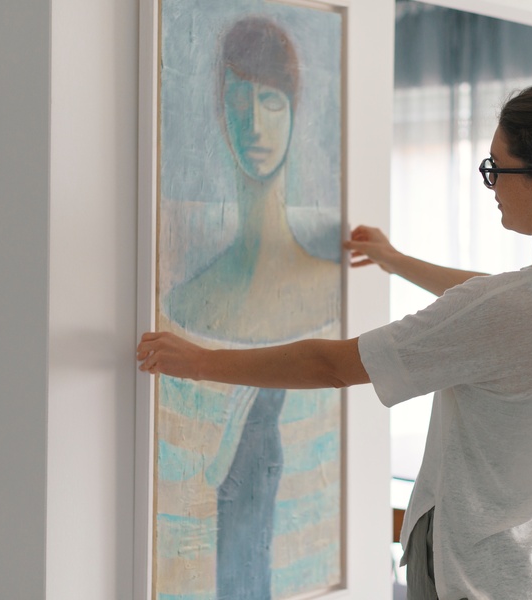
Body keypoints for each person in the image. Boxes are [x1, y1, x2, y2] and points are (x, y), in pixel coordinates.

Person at [138, 83, 532, 600]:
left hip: (474, 576)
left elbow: (332, 364)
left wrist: (201, 361)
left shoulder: (510, 311)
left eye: (495, 169)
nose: (490, 184)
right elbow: (497, 302)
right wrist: (395, 261)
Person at [158, 16, 342, 600]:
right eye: (237, 101)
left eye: (270, 100)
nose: (254, 123)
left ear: (295, 110)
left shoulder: (334, 290)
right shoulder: (183, 305)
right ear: (218, 115)